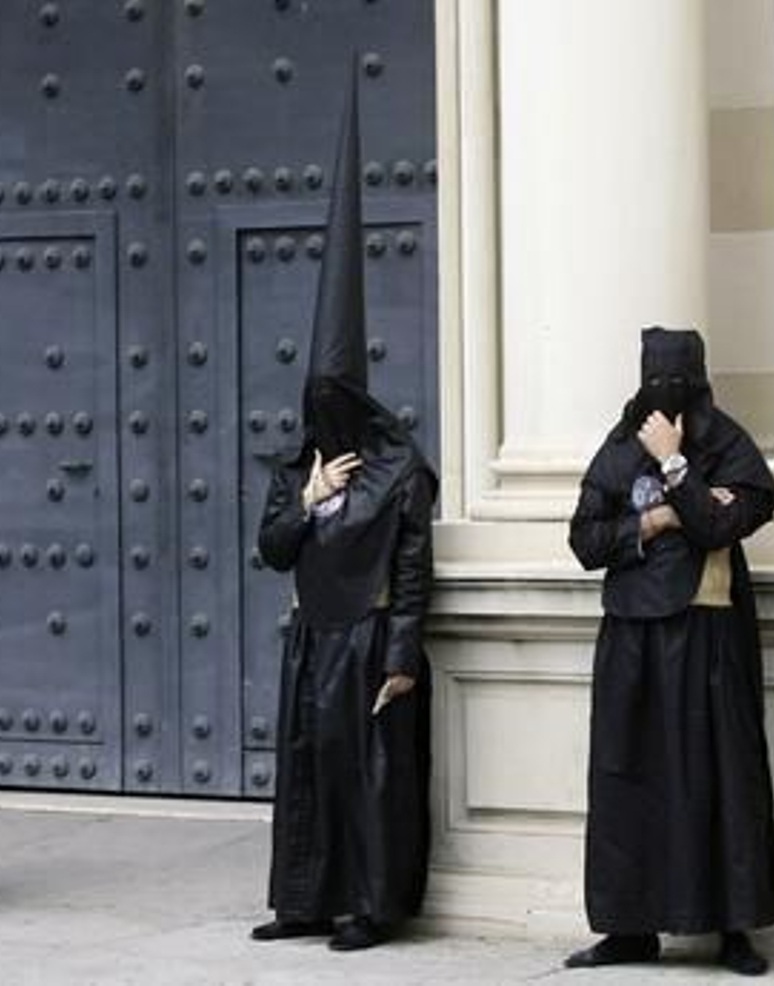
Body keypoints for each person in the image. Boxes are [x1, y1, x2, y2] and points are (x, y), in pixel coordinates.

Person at [249, 66, 437, 953]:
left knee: (368, 779)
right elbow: (272, 548)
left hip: (367, 643)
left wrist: (400, 657)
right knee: (308, 771)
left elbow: (412, 568)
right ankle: (303, 900)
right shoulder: (301, 466)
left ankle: (366, 906)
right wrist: (310, 497)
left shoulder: (398, 474)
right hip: (310, 638)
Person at [565, 327, 774, 976]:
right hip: (631, 639)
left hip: (706, 636)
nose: (665, 396)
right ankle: (628, 929)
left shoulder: (727, 444)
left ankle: (733, 929)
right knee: (629, 779)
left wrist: (675, 464)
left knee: (720, 778)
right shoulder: (617, 447)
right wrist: (658, 518)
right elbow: (585, 542)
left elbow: (719, 525)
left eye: (677, 383)